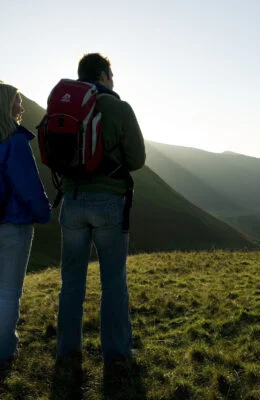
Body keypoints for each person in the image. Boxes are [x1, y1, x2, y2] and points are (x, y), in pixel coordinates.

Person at [56, 53, 146, 365]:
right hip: (109, 202)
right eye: (112, 73)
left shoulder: (65, 106)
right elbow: (136, 159)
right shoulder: (118, 107)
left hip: (72, 200)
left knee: (71, 281)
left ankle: (67, 351)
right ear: (105, 75)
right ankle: (117, 354)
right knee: (113, 281)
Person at [0, 83, 51, 367]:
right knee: (8, 292)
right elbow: (28, 185)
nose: (21, 108)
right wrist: (43, 214)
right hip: (13, 226)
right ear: (7, 106)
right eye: (17, 102)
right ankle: (4, 350)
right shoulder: (15, 141)